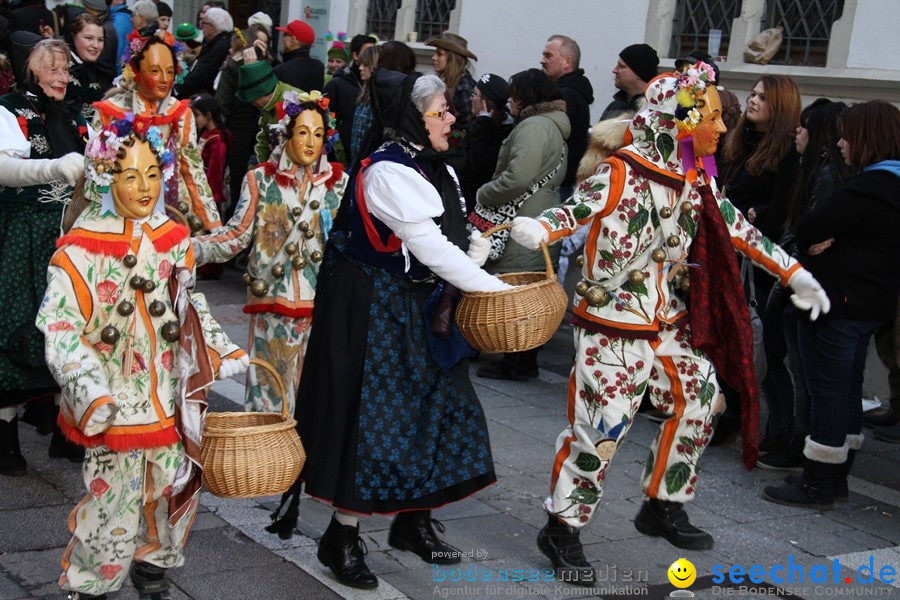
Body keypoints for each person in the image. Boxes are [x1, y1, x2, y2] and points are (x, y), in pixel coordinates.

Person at [508, 61, 828, 581]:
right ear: (674, 119)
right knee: (601, 429)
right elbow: (575, 209)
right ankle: (562, 527)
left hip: (664, 316)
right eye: (709, 116)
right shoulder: (623, 170)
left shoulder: (695, 176)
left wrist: (795, 274)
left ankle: (664, 500)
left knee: (702, 395)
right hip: (612, 319)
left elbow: (737, 229)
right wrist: (537, 229)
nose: (722, 126)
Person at [282, 72, 508, 589]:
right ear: (412, 116)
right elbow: (427, 247)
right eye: (440, 111)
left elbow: (449, 235)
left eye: (449, 109)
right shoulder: (388, 172)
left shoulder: (432, 167)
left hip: (417, 304)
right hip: (375, 310)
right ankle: (340, 537)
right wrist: (496, 292)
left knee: (444, 408)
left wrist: (477, 249)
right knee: (373, 424)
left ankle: (414, 520)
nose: (451, 118)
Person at [38, 118, 248, 600]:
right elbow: (60, 325)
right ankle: (92, 583)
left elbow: (189, 302)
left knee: (173, 486)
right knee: (112, 502)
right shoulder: (81, 249)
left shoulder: (172, 238)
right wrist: (89, 389)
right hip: (113, 399)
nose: (145, 187)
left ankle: (154, 566)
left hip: (169, 397)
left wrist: (218, 346)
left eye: (152, 174)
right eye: (130, 176)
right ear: (106, 177)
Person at [763, 100, 900, 507]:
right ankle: (835, 475)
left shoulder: (870, 185)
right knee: (846, 390)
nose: (840, 143)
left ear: (866, 138)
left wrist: (825, 240)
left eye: (847, 135)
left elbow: (811, 226)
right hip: (869, 305)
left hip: (836, 304)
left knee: (828, 393)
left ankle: (818, 481)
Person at [193, 91, 348, 415]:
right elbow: (235, 236)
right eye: (303, 132)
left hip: (322, 306)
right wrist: (186, 248)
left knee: (315, 396)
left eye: (319, 134)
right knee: (269, 391)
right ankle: (269, 461)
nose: (310, 142)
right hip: (272, 303)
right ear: (287, 133)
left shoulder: (338, 184)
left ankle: (307, 462)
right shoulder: (260, 180)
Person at [0, 38, 86, 476]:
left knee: (69, 329)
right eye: (52, 68)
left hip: (70, 235)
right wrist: (52, 169)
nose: (61, 76)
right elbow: (3, 168)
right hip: (23, 231)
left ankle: (64, 431)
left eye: (64, 69)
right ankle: (4, 436)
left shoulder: (76, 112)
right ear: (32, 70)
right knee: (19, 325)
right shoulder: (9, 108)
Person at [755, 99, 854, 471]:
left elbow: (809, 228)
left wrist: (789, 251)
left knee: (797, 368)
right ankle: (788, 435)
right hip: (792, 274)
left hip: (800, 282)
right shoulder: (810, 169)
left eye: (804, 127)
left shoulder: (826, 175)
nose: (797, 132)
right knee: (785, 361)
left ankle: (797, 441)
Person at [716, 75, 801, 451]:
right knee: (729, 340)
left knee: (763, 348)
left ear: (779, 105)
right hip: (725, 252)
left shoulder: (786, 152)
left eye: (763, 97)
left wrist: (757, 214)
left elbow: (783, 209)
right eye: (752, 94)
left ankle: (779, 429)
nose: (753, 101)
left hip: (759, 263)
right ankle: (730, 414)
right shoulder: (738, 138)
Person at [471, 68, 569, 381]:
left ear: (527, 97)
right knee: (529, 286)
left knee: (518, 288)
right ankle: (521, 359)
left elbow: (518, 176)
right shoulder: (549, 125)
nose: (510, 101)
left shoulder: (534, 127)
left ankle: (517, 360)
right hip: (537, 211)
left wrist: (485, 192)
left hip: (523, 214)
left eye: (515, 94)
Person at [94, 32, 221, 233]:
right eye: (155, 70)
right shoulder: (110, 112)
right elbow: (97, 173)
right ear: (135, 70)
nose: (164, 79)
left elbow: (193, 169)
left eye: (170, 72)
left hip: (171, 210)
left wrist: (211, 221)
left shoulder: (180, 113)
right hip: (120, 213)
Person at [215, 27, 267, 218]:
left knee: (236, 175)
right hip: (260, 126)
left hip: (236, 128)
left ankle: (235, 216)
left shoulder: (231, 67)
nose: (229, 50)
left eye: (231, 46)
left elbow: (222, 102)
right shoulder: (262, 64)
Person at [540, 34, 594, 199]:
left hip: (556, 186)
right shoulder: (566, 91)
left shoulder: (566, 95)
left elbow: (549, 139)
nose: (542, 60)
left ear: (567, 62)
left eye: (548, 55)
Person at [189, 92, 232, 281]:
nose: (195, 120)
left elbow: (216, 169)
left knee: (210, 229)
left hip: (210, 191)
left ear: (208, 116)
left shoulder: (218, 141)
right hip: (200, 187)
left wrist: (213, 194)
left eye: (197, 115)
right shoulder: (207, 135)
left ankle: (211, 268)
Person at [461, 73, 513, 210]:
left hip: (482, 201)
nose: (471, 98)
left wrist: (482, 123)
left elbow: (480, 165)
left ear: (487, 102)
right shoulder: (480, 122)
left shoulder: (504, 130)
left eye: (475, 95)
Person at [323, 33, 376, 166]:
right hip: (340, 154)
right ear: (355, 55)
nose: (371, 56)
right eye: (367, 52)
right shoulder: (337, 84)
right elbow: (327, 119)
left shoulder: (376, 85)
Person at [234, 58, 300, 164]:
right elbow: (263, 141)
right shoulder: (267, 106)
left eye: (252, 100)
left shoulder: (297, 103)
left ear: (262, 92)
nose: (252, 104)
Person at [64, 12, 114, 121]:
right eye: (89, 38)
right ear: (73, 36)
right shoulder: (61, 68)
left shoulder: (103, 70)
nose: (95, 45)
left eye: (100, 40)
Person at [174, 7, 231, 99]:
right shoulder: (218, 42)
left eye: (203, 24)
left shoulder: (219, 47)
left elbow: (201, 75)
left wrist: (177, 91)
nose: (201, 28)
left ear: (211, 28)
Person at [599, 43, 658, 120]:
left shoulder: (656, 112)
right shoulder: (613, 107)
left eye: (622, 66)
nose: (614, 70)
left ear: (638, 73)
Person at [273, 19, 325, 93]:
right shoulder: (319, 67)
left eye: (285, 35)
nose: (282, 39)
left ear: (293, 40)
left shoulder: (281, 71)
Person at [349, 44, 380, 164]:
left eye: (366, 65)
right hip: (356, 161)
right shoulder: (364, 94)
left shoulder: (379, 99)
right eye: (361, 64)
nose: (360, 68)